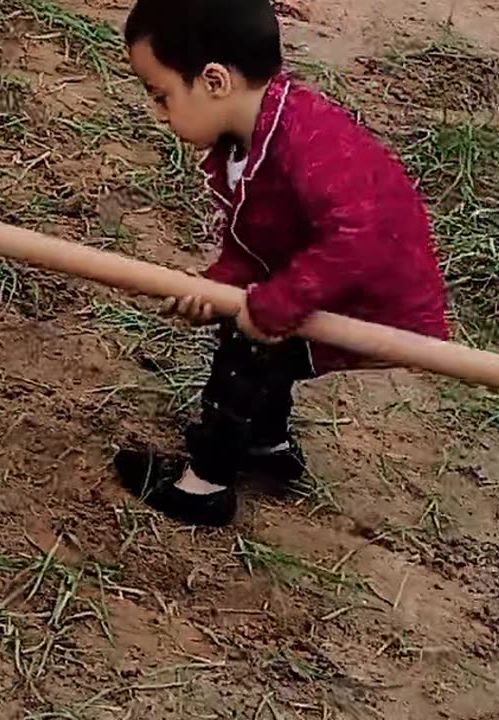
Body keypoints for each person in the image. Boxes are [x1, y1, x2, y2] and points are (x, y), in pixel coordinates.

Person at [114, 0, 451, 527]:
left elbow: (360, 237)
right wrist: (218, 289)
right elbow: (257, 239)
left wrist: (276, 304)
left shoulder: (309, 140)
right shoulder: (251, 140)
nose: (159, 113)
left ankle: (205, 486)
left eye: (162, 96)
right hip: (328, 284)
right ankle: (267, 447)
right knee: (257, 340)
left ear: (215, 80)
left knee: (249, 352)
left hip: (371, 302)